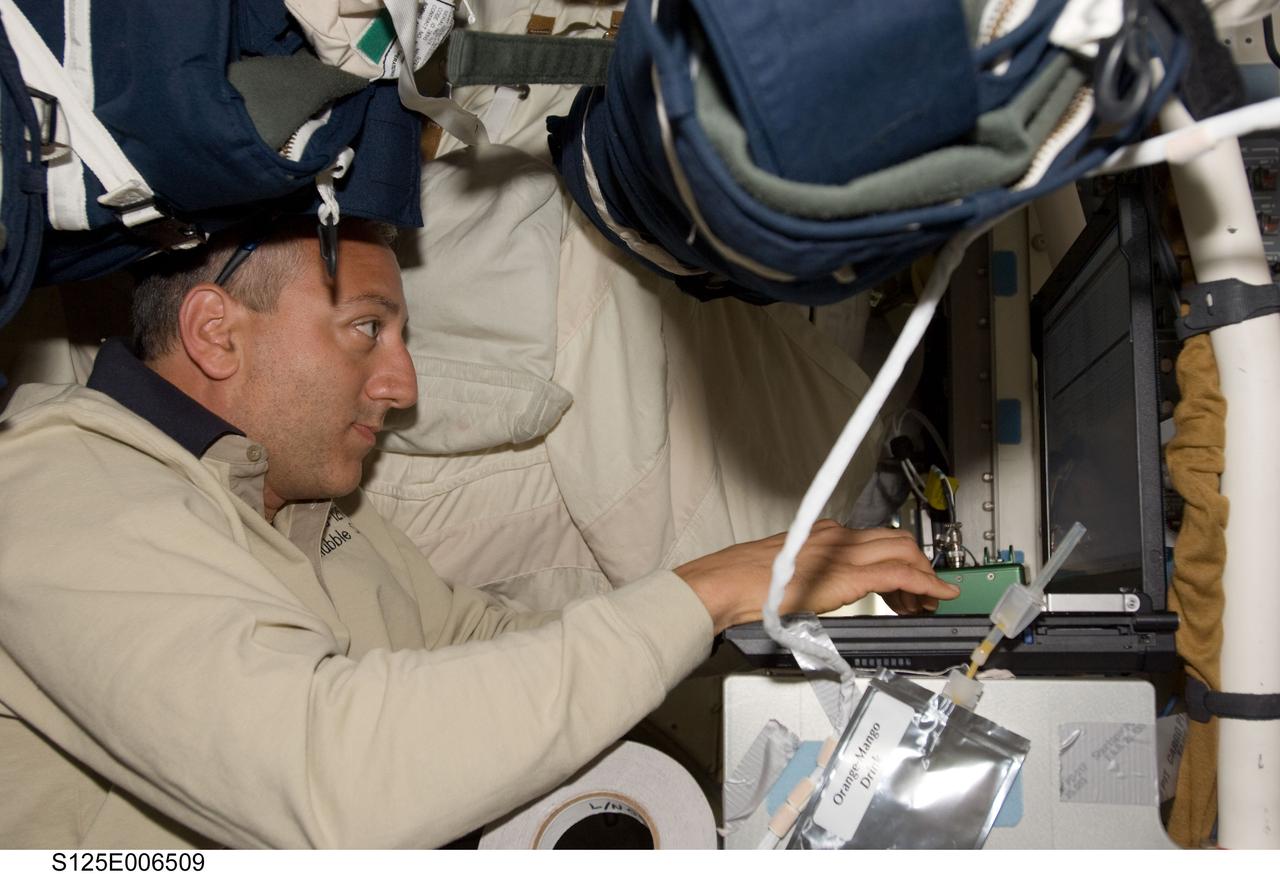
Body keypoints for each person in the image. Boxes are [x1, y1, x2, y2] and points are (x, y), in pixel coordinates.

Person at [0, 217, 957, 848]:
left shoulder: (300, 504)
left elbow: (476, 643)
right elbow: (329, 780)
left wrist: (722, 626)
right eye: (367, 329)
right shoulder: (53, 492)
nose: (402, 385)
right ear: (216, 333)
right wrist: (702, 592)